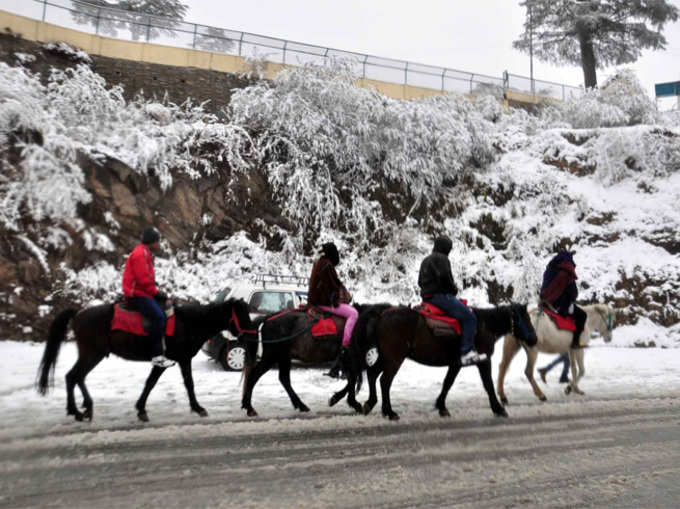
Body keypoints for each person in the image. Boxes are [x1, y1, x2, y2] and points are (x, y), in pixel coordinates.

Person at [418, 236, 486, 366]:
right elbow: (445, 278)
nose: (449, 250)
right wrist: (453, 290)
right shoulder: (442, 259)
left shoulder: (425, 260)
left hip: (426, 298)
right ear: (445, 247)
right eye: (449, 248)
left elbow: (419, 282)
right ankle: (467, 352)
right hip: (440, 297)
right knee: (469, 317)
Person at [122, 226, 175, 369]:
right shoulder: (140, 254)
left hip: (142, 291)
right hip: (137, 294)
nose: (159, 244)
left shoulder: (144, 252)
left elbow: (147, 279)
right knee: (159, 317)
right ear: (151, 242)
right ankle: (157, 356)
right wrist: (156, 292)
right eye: (157, 241)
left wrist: (156, 290)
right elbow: (143, 280)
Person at [308, 242, 357, 377]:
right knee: (353, 314)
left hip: (316, 301)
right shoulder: (327, 266)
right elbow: (331, 288)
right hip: (322, 303)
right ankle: (345, 345)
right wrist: (339, 300)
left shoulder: (320, 263)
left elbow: (331, 285)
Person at [539, 250, 587, 350]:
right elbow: (573, 292)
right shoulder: (567, 272)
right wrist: (571, 298)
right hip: (559, 305)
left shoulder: (549, 269)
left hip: (545, 304)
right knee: (582, 315)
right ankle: (575, 342)